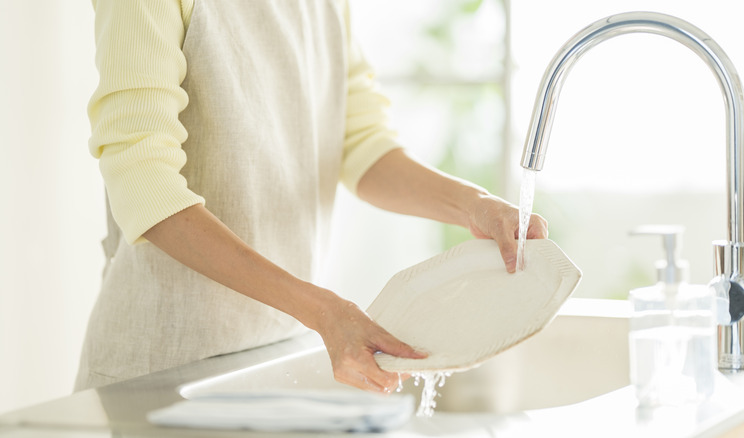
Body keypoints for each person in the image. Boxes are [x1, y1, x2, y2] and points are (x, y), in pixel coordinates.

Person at [75, 0, 548, 394]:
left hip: (273, 358)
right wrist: (323, 311)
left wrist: (473, 204)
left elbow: (361, 145)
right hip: (161, 364)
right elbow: (144, 184)